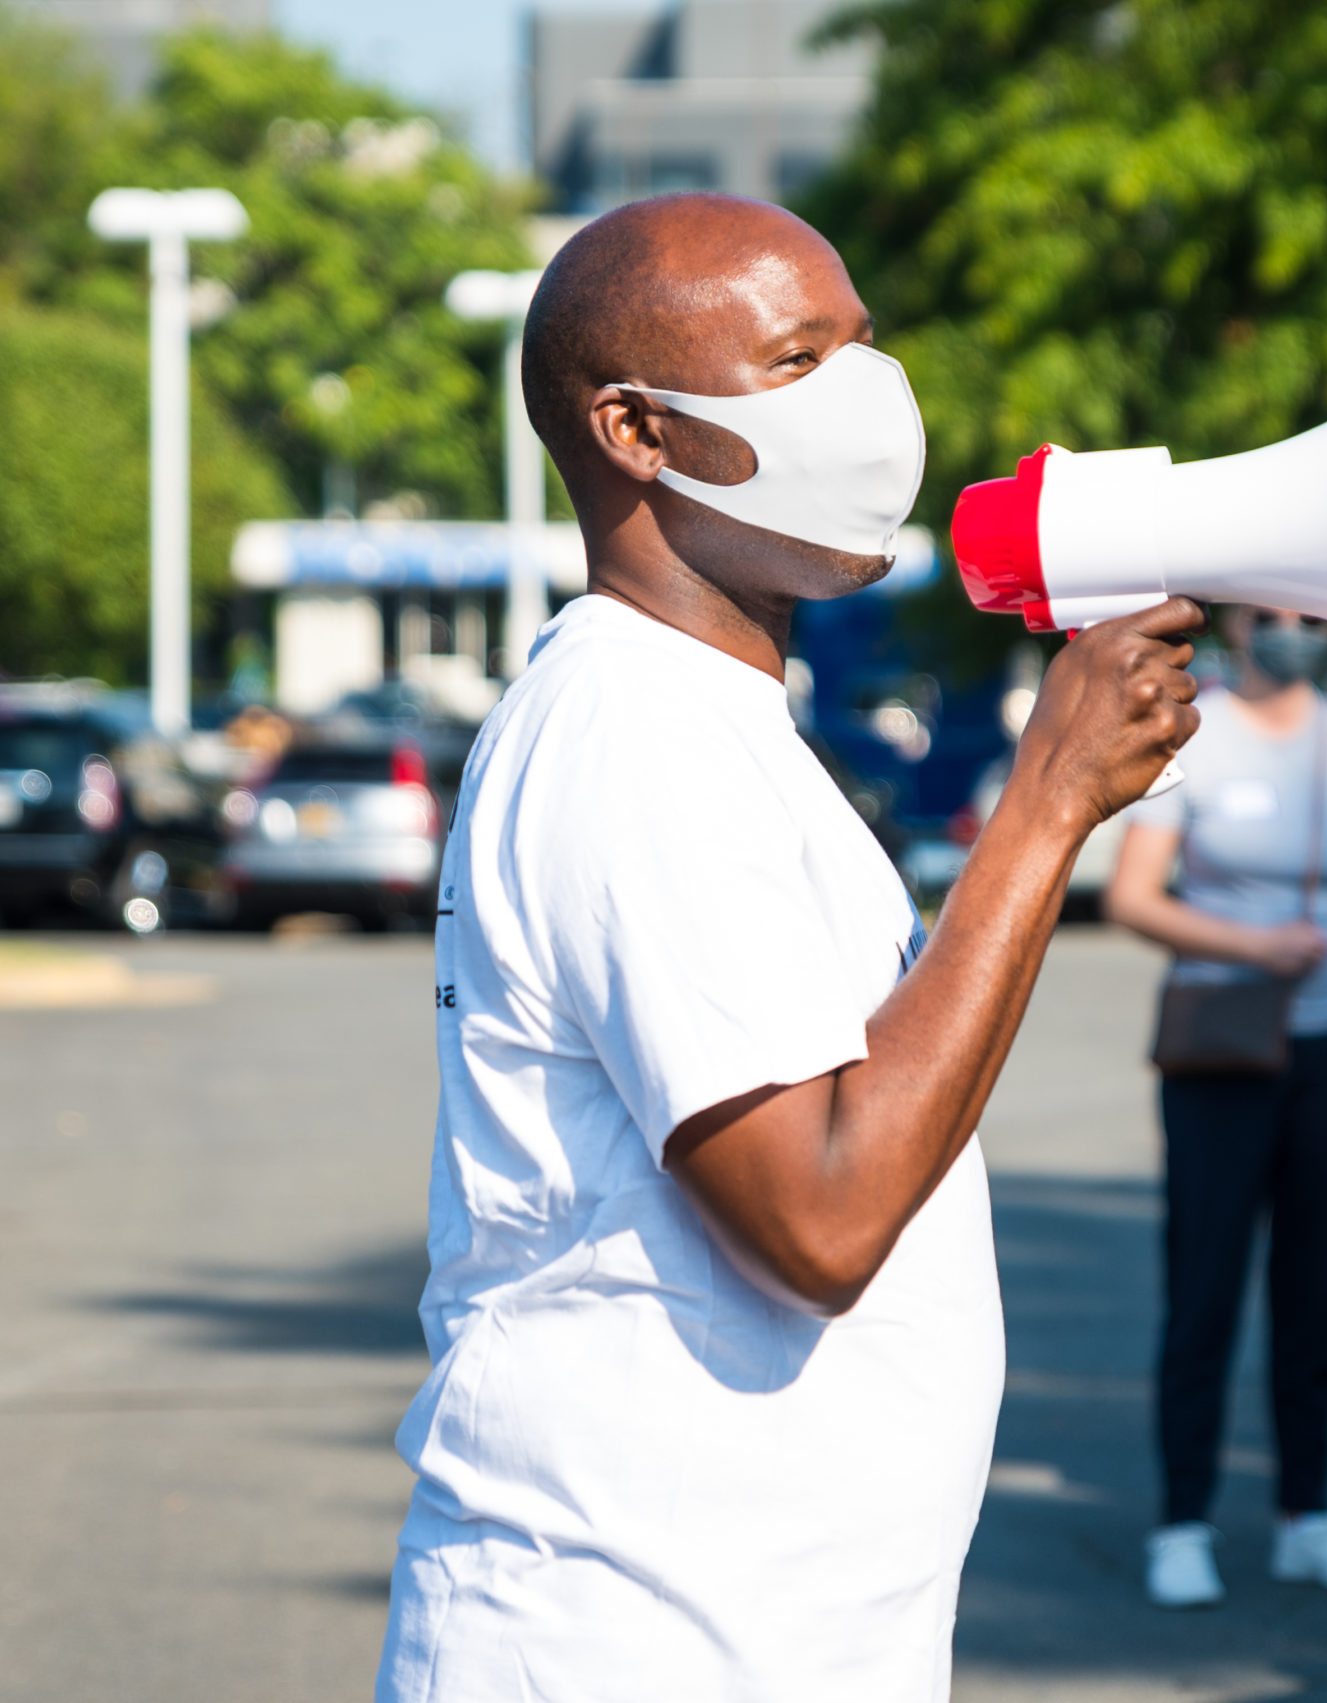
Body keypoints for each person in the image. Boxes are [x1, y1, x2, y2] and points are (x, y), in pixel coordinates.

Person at [375, 194, 1203, 1701]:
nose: (871, 400)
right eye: (800, 356)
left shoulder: (718, 725)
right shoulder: (632, 734)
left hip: (755, 1630)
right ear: (636, 426)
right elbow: (819, 1213)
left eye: (865, 345)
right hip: (632, 1636)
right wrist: (1045, 805)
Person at [1103, 605, 1327, 1609]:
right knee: (1203, 1288)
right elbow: (1133, 895)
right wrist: (1255, 948)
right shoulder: (1193, 733)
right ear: (1236, 629)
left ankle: (1307, 1514)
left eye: (1306, 615)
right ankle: (1183, 1519)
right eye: (1269, 616)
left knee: (1315, 1292)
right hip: (1223, 1044)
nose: (1290, 630)